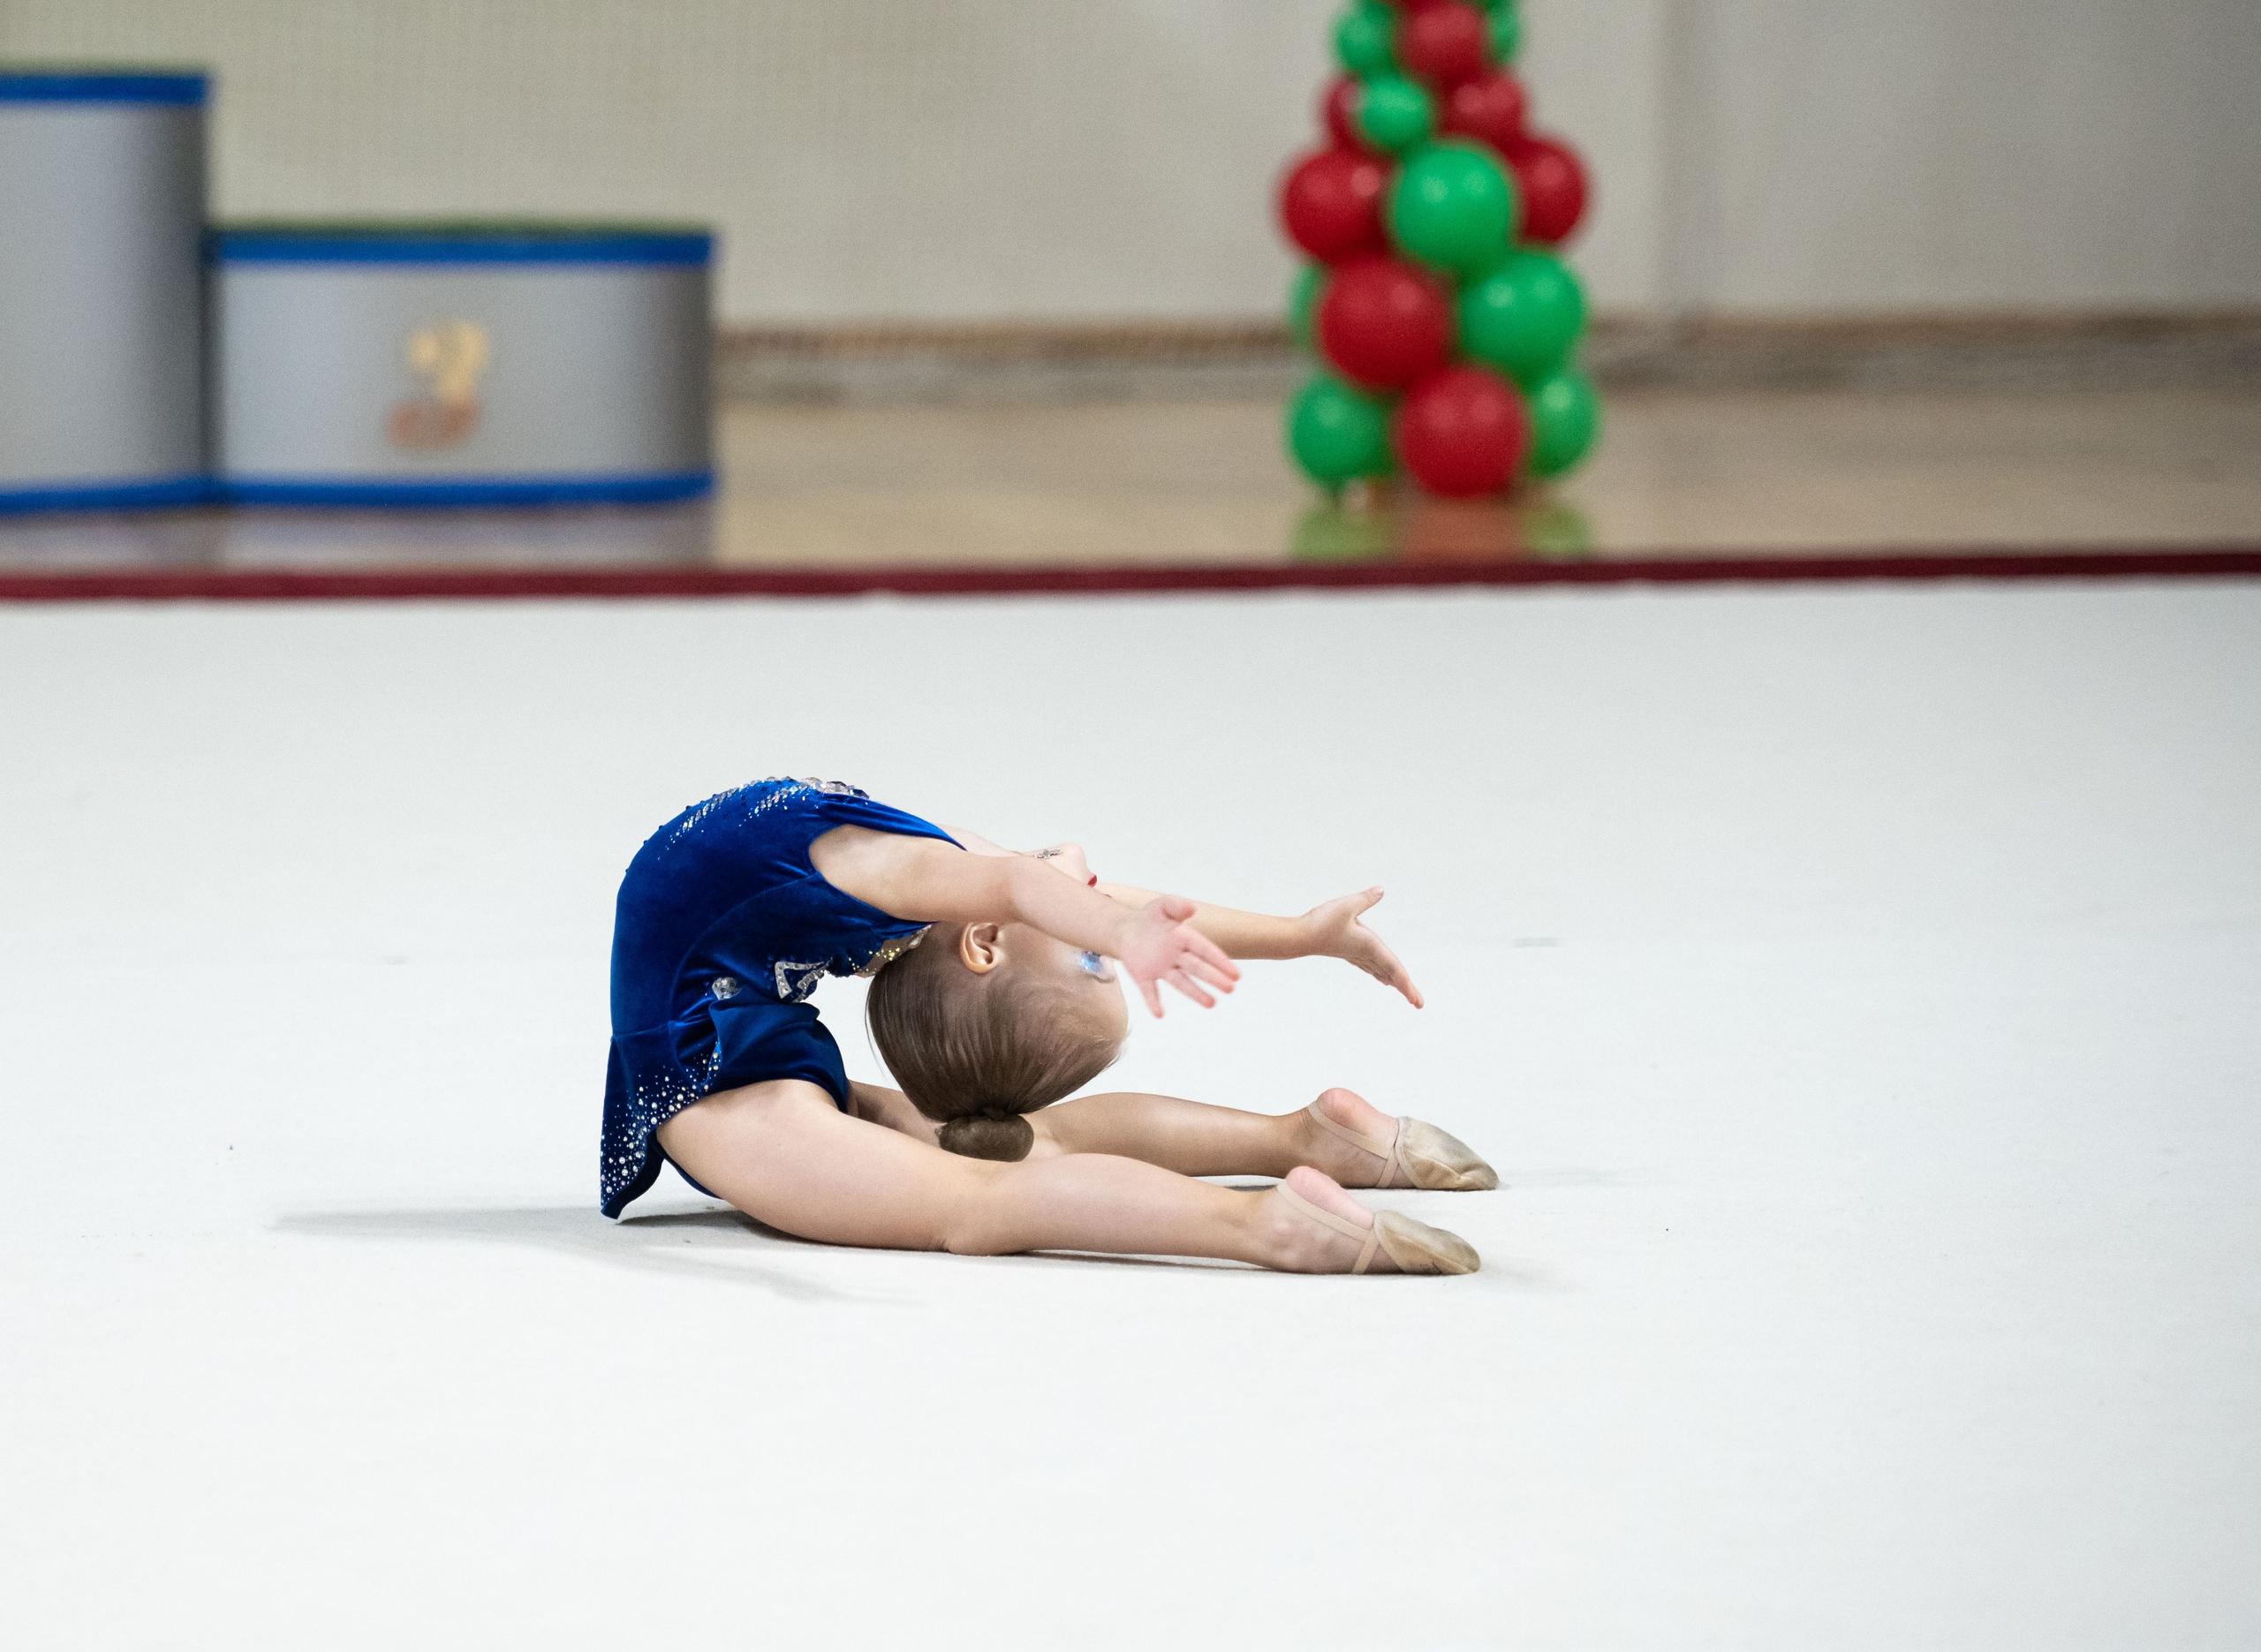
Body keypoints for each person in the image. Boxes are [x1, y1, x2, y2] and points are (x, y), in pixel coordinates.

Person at [604, 777, 1495, 1274]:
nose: (1088, 897)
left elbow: (1072, 895)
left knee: (986, 1176)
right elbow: (1054, 893)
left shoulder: (929, 876)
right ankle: (1283, 1180)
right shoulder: (932, 875)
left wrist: (1298, 935)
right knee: (988, 1176)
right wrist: (1120, 932)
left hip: (723, 1060)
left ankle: (1281, 1182)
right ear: (985, 940)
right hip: (708, 1063)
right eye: (1093, 952)